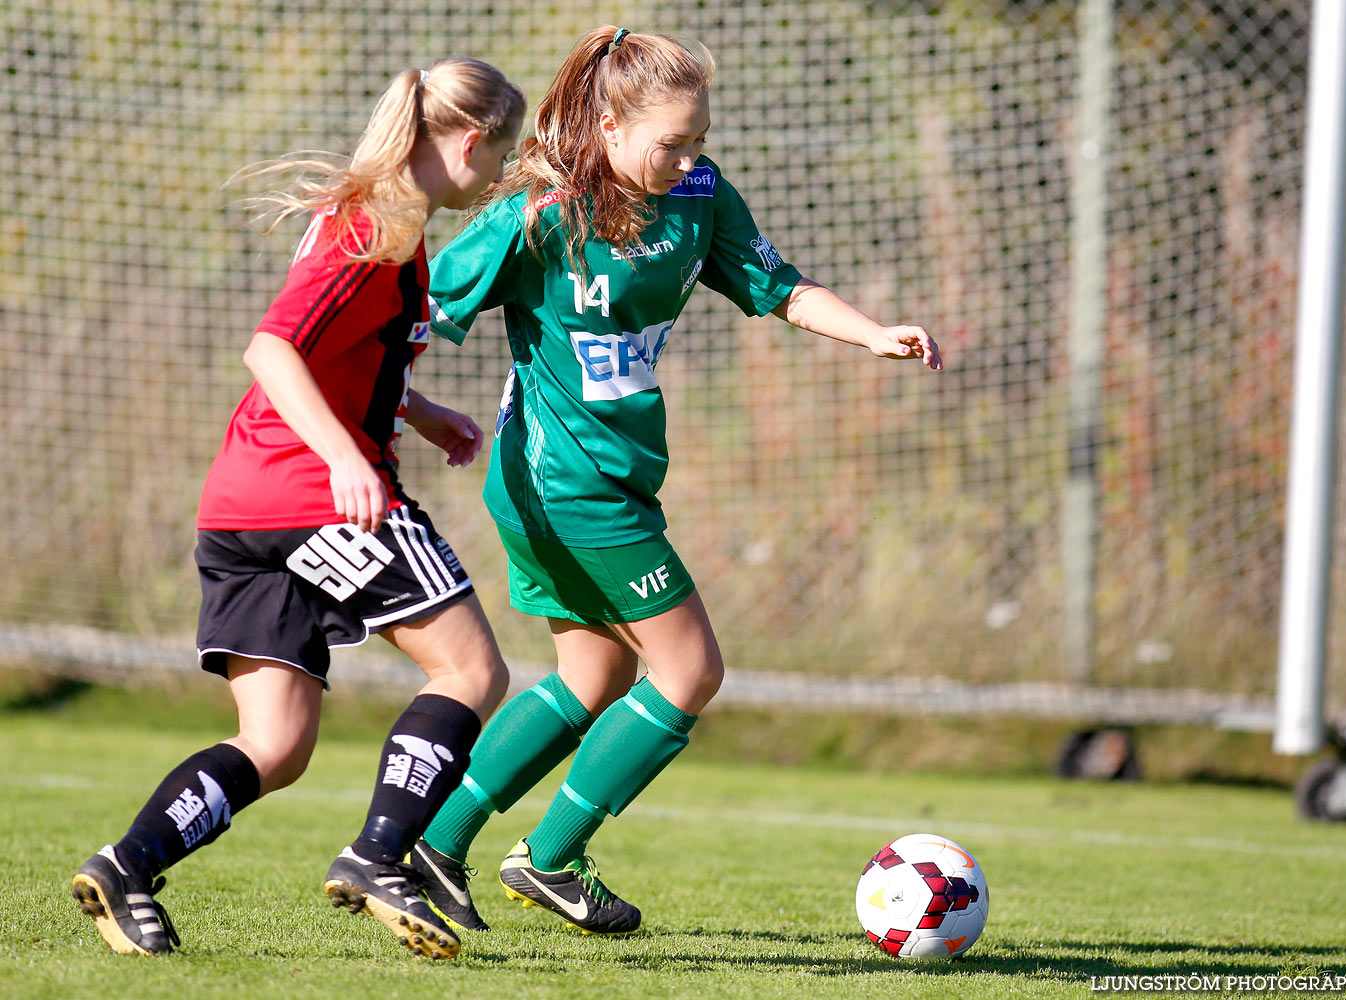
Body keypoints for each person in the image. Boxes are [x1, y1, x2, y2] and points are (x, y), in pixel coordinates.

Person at [410, 25, 941, 937]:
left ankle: (435, 844)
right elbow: (416, 312)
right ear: (609, 126)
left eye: (699, 136)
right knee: (690, 669)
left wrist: (873, 332)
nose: (690, 155)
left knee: (596, 672)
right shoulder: (540, 210)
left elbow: (779, 286)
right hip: (565, 481)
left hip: (604, 477)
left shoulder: (697, 192)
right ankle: (550, 856)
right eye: (673, 140)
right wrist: (388, 412)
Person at [70, 56, 525, 960]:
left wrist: (423, 415)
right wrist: (343, 462)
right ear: (469, 141)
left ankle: (126, 867)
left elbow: (335, 357)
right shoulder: (378, 229)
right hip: (318, 497)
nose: (502, 174)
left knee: (274, 743)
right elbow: (273, 349)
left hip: (240, 507)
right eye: (502, 154)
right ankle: (379, 854)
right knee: (471, 672)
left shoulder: (365, 217)